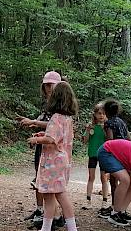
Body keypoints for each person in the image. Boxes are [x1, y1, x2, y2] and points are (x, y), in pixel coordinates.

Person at [28, 81, 79, 231]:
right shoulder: (67, 118)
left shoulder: (56, 117)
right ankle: (46, 227)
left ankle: (72, 228)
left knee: (60, 195)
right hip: (62, 160)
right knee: (49, 196)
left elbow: (52, 139)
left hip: (53, 162)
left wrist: (36, 139)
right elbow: (58, 136)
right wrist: (42, 134)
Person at [17, 71, 62, 227]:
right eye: (46, 85)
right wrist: (37, 134)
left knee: (51, 183)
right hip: (43, 145)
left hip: (54, 149)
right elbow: (47, 125)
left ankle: (54, 216)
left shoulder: (60, 104)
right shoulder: (48, 102)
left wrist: (33, 122)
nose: (48, 88)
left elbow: (56, 126)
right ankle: (40, 210)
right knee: (39, 177)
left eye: (51, 85)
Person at [81, 103, 109, 203]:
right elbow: (85, 141)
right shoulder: (91, 126)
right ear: (95, 114)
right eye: (99, 113)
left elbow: (109, 140)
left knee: (104, 178)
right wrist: (88, 130)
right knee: (91, 177)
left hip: (104, 155)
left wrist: (105, 129)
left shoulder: (107, 127)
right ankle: (88, 200)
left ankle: (105, 201)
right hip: (93, 154)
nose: (101, 116)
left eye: (104, 114)